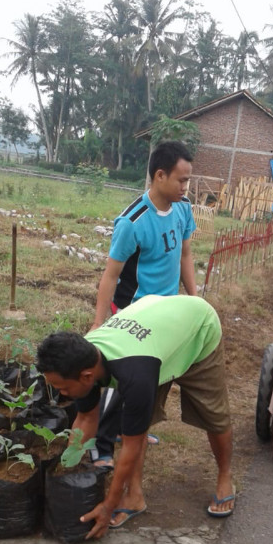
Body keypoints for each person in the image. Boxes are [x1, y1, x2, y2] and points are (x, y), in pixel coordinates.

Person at [36, 294, 234, 539]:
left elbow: (129, 446)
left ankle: (225, 475)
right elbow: (86, 418)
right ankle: (134, 497)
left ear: (87, 376)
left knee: (213, 414)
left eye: (62, 387)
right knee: (139, 420)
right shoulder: (82, 358)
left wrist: (108, 505)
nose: (60, 393)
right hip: (153, 332)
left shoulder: (135, 374)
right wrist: (67, 469)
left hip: (197, 328)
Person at [90, 140, 198, 468]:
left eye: (188, 180)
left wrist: (193, 300)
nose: (186, 187)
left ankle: (134, 429)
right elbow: (111, 276)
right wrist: (99, 322)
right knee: (122, 379)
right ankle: (102, 447)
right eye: (182, 180)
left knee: (152, 378)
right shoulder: (132, 221)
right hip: (132, 311)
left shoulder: (183, 208)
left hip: (165, 313)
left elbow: (186, 254)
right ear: (160, 176)